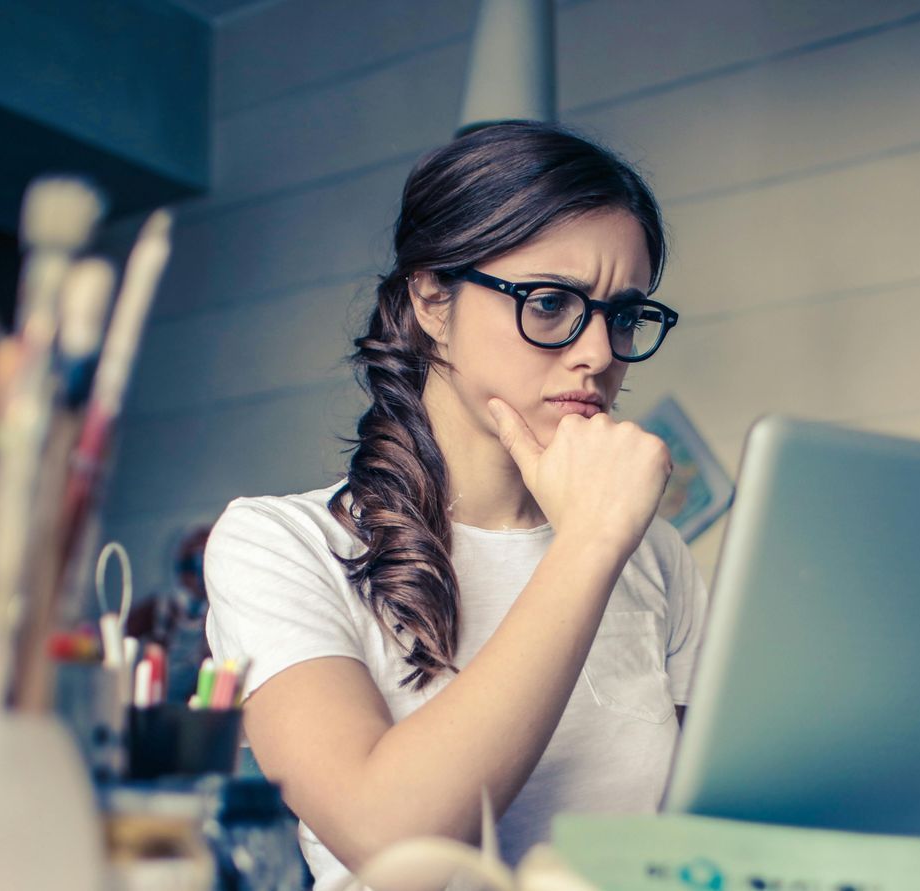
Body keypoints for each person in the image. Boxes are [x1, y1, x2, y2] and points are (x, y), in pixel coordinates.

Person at [204, 121, 709, 891]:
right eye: (548, 303)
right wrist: (589, 543)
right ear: (432, 299)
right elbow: (391, 836)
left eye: (623, 314)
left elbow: (703, 837)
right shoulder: (278, 544)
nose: (599, 353)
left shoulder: (656, 555)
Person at [126, 523, 212, 703]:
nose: (198, 575)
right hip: (157, 705)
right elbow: (119, 642)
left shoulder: (220, 613)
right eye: (191, 564)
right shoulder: (158, 607)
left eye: (205, 562)